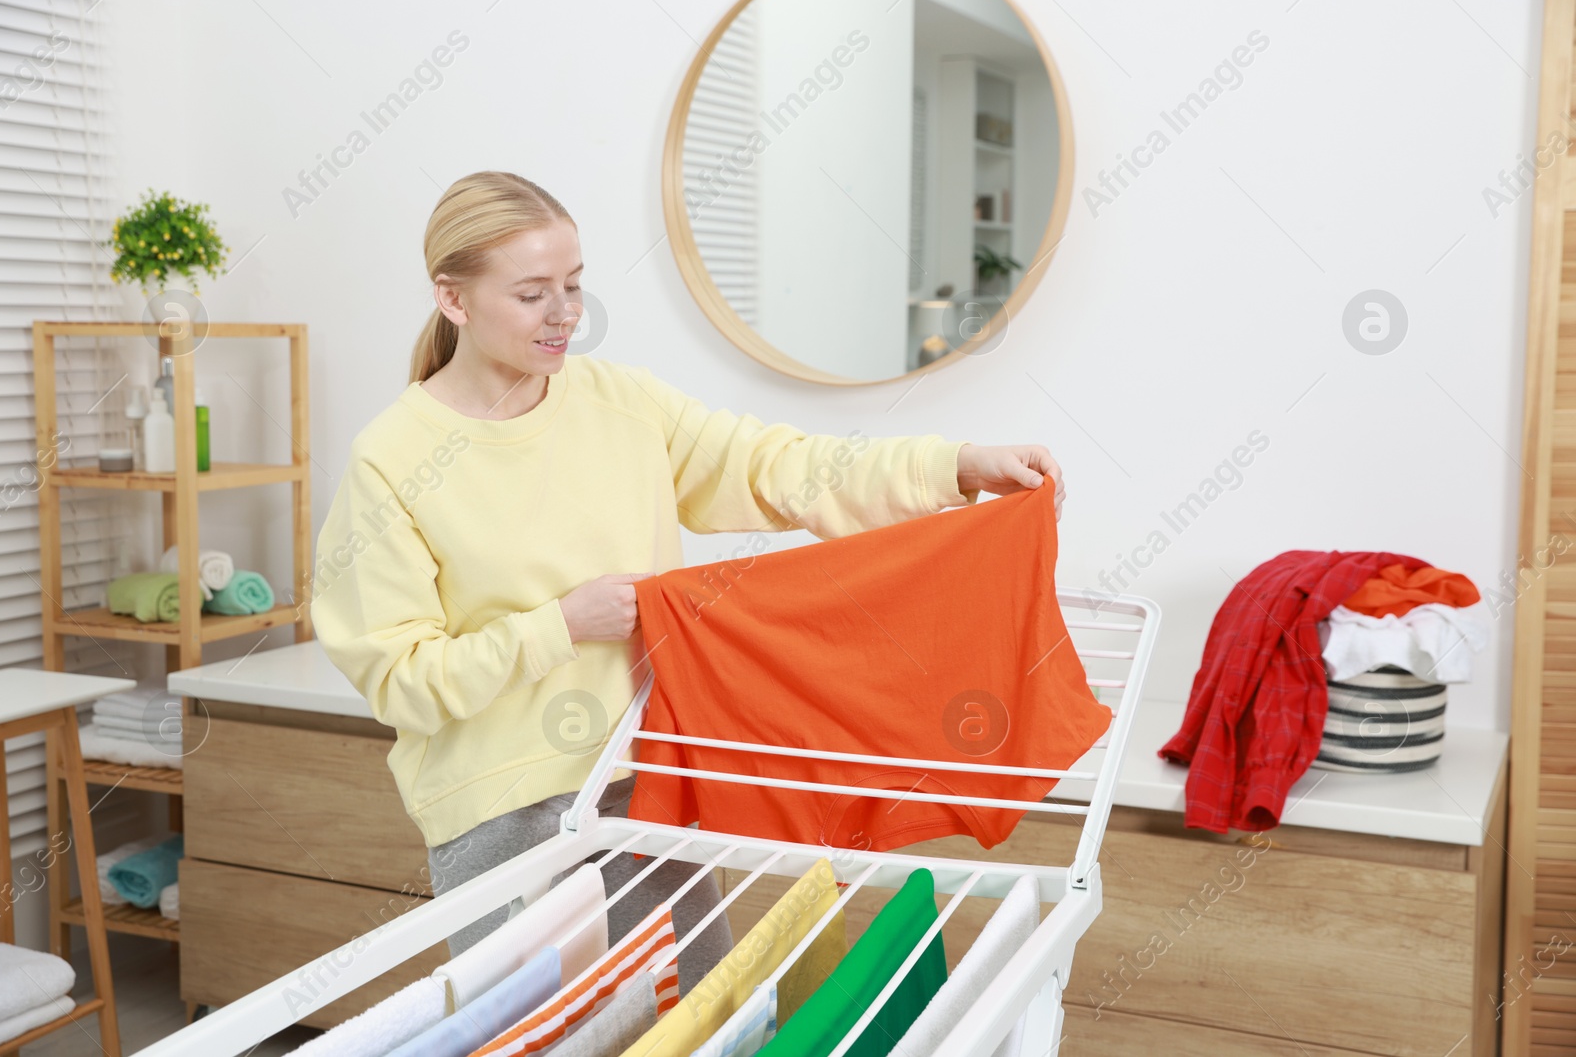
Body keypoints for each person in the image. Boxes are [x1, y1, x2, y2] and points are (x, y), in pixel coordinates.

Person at [309, 170, 1067, 993]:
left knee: (701, 1026)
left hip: (645, 788)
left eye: (574, 285)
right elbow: (398, 678)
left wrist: (955, 466)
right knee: (547, 1042)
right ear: (452, 299)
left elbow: (780, 466)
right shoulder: (393, 458)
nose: (566, 313)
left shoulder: (617, 403)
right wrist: (560, 623)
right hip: (503, 816)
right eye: (532, 294)